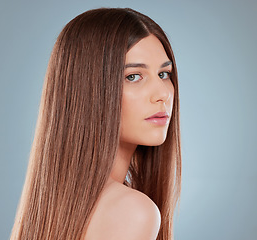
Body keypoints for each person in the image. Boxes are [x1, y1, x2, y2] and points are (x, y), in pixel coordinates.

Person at [10, 7, 182, 240]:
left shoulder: (48, 209)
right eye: (133, 76)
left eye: (164, 74)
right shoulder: (133, 212)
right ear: (89, 91)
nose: (162, 93)